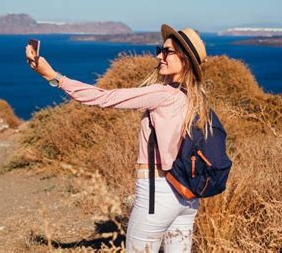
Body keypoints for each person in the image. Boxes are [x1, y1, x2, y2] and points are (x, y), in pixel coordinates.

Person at [25, 24, 212, 252]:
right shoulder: (197, 98)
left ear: (184, 59)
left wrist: (54, 77)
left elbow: (104, 98)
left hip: (158, 193)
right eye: (159, 50)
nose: (159, 56)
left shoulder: (163, 94)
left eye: (167, 52)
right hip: (188, 197)